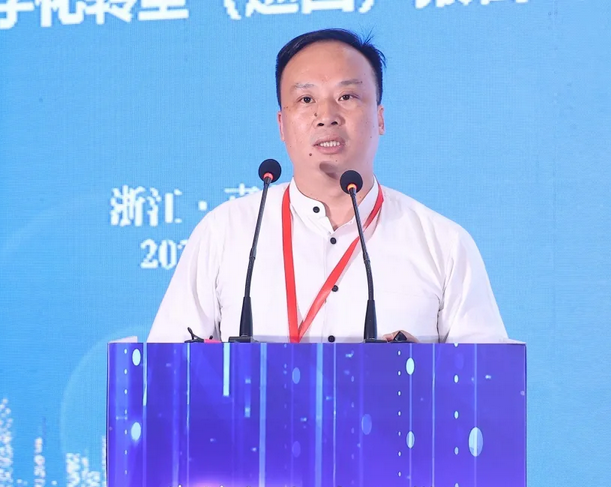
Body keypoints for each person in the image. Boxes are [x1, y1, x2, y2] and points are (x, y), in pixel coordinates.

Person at [147, 28, 508, 344]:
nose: (327, 116)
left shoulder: (443, 244)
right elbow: (166, 374)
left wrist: (421, 376)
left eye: (347, 97)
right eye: (306, 100)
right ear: (281, 125)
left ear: (380, 118)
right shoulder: (225, 232)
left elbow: (485, 385)